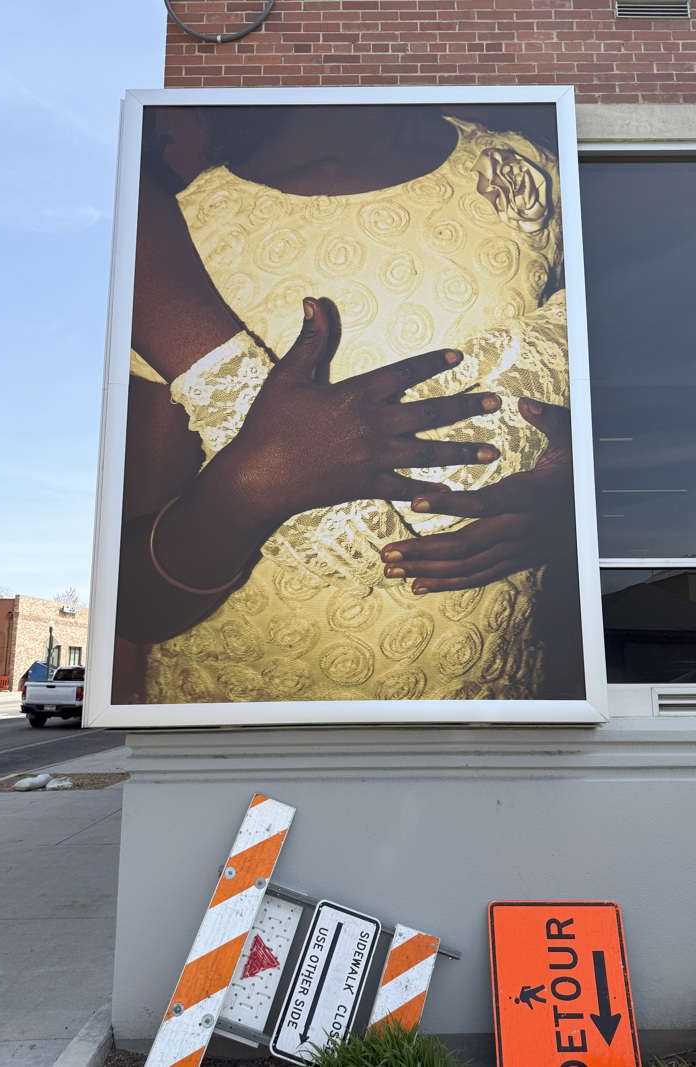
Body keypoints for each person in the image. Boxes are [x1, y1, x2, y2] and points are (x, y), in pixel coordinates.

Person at [114, 103, 583, 704]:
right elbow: (137, 605)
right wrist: (256, 481)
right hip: (248, 730)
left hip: (492, 708)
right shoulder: (187, 229)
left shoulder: (530, 172)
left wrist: (569, 509)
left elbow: (620, 394)